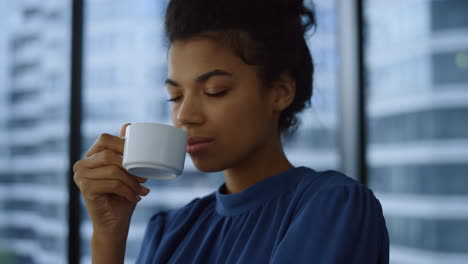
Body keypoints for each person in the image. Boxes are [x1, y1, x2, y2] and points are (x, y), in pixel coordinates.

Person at [73, 0, 390, 263]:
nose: (185, 116)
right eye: (176, 96)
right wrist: (108, 235)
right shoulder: (170, 231)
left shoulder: (332, 206)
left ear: (280, 91)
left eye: (214, 91)